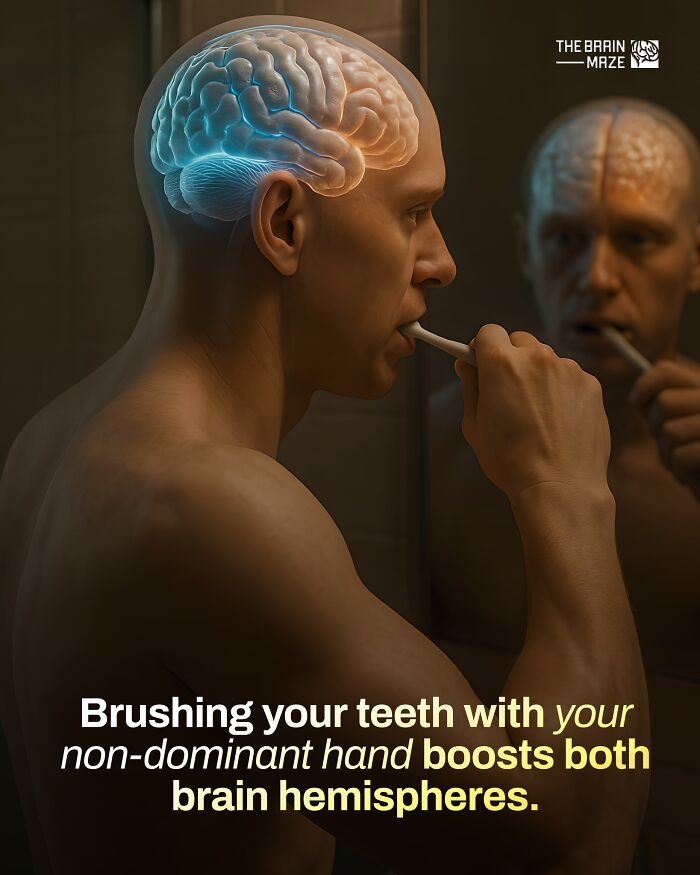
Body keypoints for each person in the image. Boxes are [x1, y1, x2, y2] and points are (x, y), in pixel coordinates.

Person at [0, 20, 648, 874]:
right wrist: (564, 489)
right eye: (415, 212)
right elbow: (566, 841)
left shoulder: (48, 440)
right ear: (284, 223)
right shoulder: (213, 510)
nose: (442, 262)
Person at [430, 97, 700, 871]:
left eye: (639, 240)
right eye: (565, 238)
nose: (598, 277)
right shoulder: (437, 444)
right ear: (525, 246)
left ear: (694, 256)